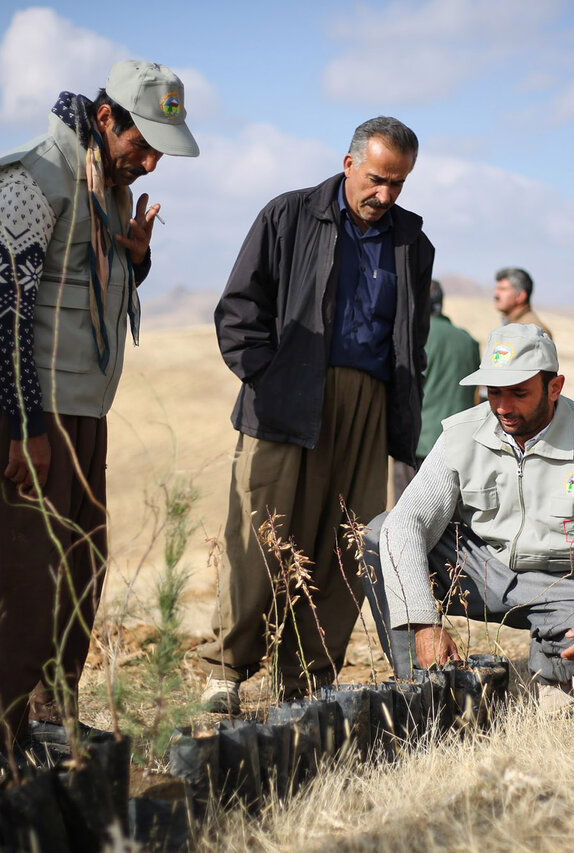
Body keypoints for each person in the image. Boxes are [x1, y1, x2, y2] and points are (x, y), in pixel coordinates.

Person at [0, 59, 198, 770]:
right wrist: (26, 426)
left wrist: (137, 264)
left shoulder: (108, 188)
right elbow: (1, 306)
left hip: (79, 409)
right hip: (24, 412)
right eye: (142, 143)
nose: (151, 162)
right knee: (20, 574)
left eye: (160, 149)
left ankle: (42, 721)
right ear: (105, 118)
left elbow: (76, 285)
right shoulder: (31, 177)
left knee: (75, 573)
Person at [200, 116, 435, 712]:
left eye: (400, 184)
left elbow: (412, 338)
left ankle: (307, 682)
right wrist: (269, 380)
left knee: (343, 546)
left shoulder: (414, 242)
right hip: (286, 401)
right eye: (379, 179)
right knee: (260, 536)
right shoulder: (288, 215)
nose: (386, 196)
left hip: (370, 406)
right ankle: (227, 671)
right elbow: (238, 310)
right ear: (350, 162)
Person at [363, 324, 574, 711]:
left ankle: (560, 677)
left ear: (554, 388)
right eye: (494, 392)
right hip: (485, 569)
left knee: (573, 683)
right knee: (381, 532)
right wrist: (423, 623)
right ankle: (421, 687)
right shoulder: (460, 435)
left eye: (519, 393)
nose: (503, 407)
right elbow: (407, 522)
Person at [392, 279, 479, 498]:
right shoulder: (468, 341)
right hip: (458, 444)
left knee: (405, 517)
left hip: (418, 443)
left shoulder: (418, 338)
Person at [493, 267, 554, 339]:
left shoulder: (535, 333)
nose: (495, 294)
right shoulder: (514, 325)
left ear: (520, 296)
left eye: (503, 289)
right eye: (497, 289)